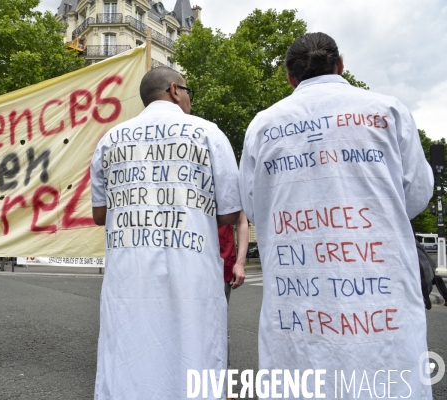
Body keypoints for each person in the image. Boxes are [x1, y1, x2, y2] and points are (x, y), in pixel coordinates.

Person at [239, 32, 433, 398]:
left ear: (289, 77)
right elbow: (417, 194)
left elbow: (253, 204)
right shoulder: (387, 110)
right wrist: (376, 214)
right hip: (378, 293)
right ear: (341, 64)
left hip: (297, 297)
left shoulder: (263, 126)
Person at [91, 67, 241, 399]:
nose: (189, 99)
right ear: (175, 90)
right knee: (194, 353)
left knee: (128, 354)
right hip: (193, 271)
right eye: (188, 91)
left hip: (127, 273)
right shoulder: (209, 133)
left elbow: (100, 214)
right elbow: (230, 211)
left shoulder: (110, 139)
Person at [218, 210, 247, 368]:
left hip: (222, 261)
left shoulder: (224, 184)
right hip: (190, 262)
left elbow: (241, 219)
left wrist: (240, 262)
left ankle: (224, 381)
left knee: (220, 326)